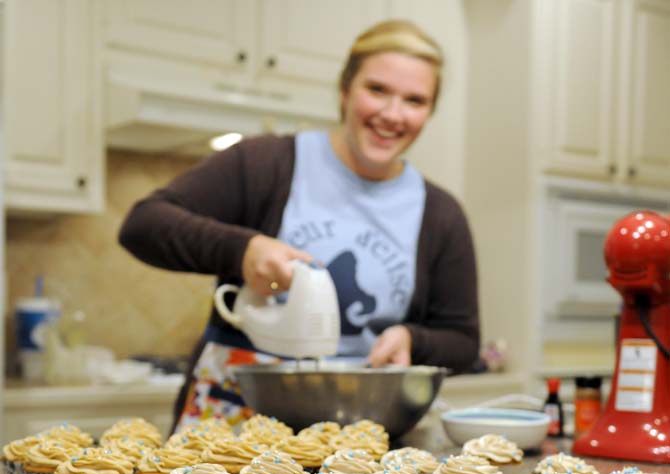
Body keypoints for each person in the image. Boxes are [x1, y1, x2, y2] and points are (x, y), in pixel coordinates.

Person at [119, 20, 480, 433]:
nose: (392, 114)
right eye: (377, 90)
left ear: (429, 112)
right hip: (233, 429)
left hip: (359, 438)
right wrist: (243, 250)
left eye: (415, 100)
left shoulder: (440, 213)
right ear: (345, 91)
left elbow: (463, 342)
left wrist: (414, 340)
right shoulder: (265, 164)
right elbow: (142, 224)